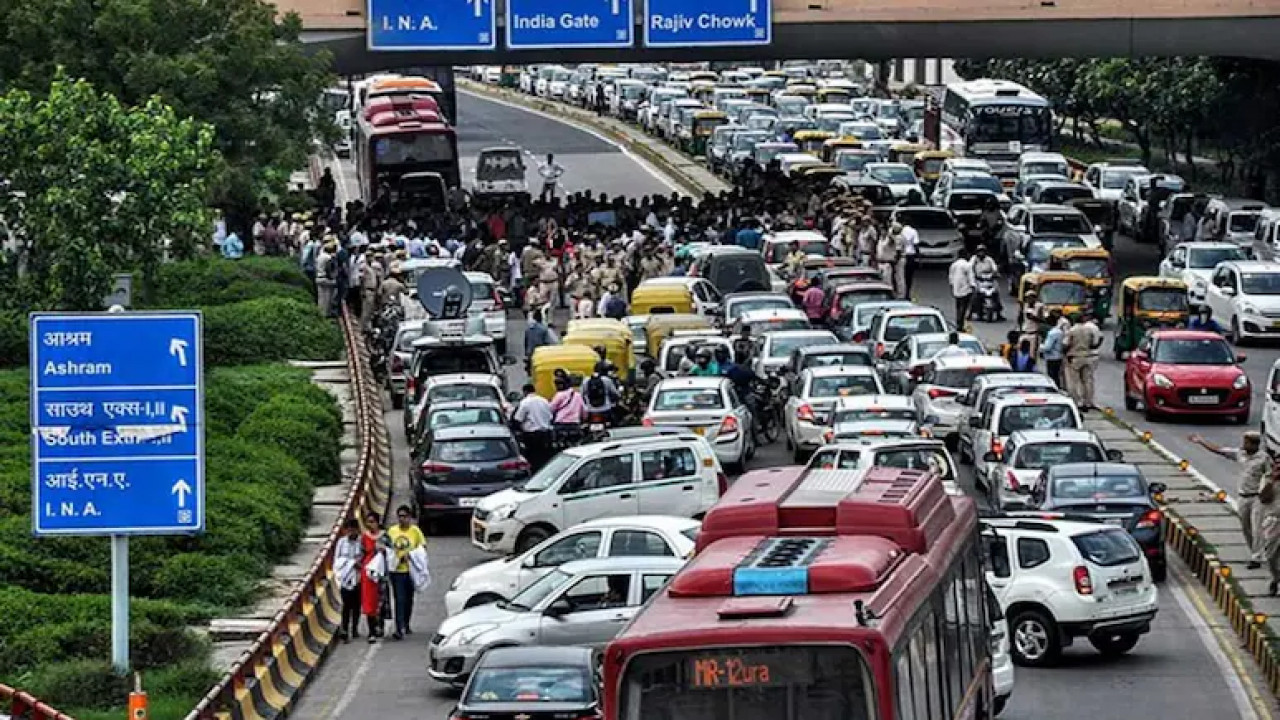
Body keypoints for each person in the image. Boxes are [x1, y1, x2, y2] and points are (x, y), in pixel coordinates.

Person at [1190, 432, 1272, 569]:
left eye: (1246, 443)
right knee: (1246, 527)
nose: (1243, 445)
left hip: (1257, 497)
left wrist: (1267, 493)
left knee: (1256, 527)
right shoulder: (1240, 454)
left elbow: (1271, 477)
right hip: (1243, 496)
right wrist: (1201, 441)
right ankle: (1255, 550)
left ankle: (1256, 558)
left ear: (1254, 444)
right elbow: (1220, 450)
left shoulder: (1263, 459)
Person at [386, 505, 425, 640]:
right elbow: (387, 547)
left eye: (405, 516)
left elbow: (422, 548)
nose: (402, 519)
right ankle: (399, 628)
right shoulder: (392, 531)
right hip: (397, 571)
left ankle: (406, 623)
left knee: (408, 599)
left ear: (409, 517)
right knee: (399, 599)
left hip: (411, 570)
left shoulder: (415, 531)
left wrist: (411, 555)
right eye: (400, 516)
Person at [1063, 311, 1103, 410]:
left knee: (1073, 381)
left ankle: (1076, 402)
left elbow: (1066, 344)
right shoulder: (1088, 330)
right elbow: (1094, 343)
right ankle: (1088, 402)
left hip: (1075, 357)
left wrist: (1066, 353)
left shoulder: (1071, 331)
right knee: (1087, 381)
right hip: (1087, 356)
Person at [334, 518, 364, 642]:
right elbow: (337, 560)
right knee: (346, 605)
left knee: (356, 605)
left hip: (358, 578)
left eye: (353, 529)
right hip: (345, 578)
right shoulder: (341, 543)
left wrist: (359, 565)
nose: (351, 532)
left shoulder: (361, 543)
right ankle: (345, 628)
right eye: (349, 530)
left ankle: (355, 628)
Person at [359, 511, 387, 643]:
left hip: (381, 571)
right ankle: (371, 631)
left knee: (380, 600)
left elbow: (392, 553)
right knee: (369, 602)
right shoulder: (364, 537)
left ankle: (380, 626)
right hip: (368, 572)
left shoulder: (384, 536)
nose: (370, 525)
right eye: (368, 522)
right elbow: (361, 554)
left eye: (372, 522)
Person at [513, 382, 555, 469]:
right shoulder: (544, 401)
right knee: (544, 458)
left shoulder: (525, 402)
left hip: (531, 435)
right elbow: (550, 416)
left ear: (525, 392)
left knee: (533, 458)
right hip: (546, 434)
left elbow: (518, 419)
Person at [947, 249, 975, 328]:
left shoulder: (954, 265)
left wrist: (952, 287)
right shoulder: (967, 265)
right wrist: (973, 286)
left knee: (958, 306)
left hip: (956, 289)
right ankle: (960, 323)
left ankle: (958, 321)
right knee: (964, 307)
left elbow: (950, 277)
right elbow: (970, 277)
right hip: (965, 289)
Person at [1041, 312, 1067, 387]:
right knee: (1056, 375)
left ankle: (1054, 389)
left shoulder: (1052, 333)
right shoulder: (1059, 331)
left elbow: (1047, 347)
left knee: (1052, 376)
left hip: (1052, 357)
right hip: (1058, 356)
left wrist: (1040, 347)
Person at [898, 221, 919, 299]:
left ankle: (901, 292)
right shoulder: (913, 231)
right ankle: (907, 292)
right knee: (909, 276)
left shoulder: (901, 231)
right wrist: (918, 256)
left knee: (901, 275)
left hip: (902, 255)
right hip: (911, 255)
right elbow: (916, 244)